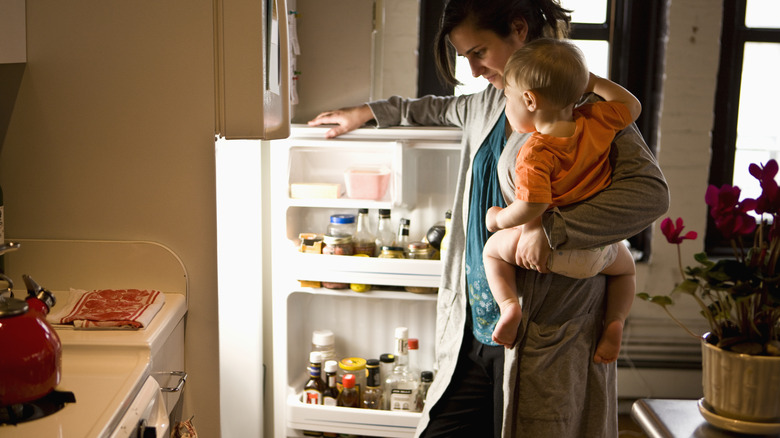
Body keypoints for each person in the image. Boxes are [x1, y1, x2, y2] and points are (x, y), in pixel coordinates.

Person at [308, 1, 669, 436]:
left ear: (518, 29)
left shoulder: (583, 109)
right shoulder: (486, 104)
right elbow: (436, 109)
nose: (474, 69)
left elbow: (649, 196)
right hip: (473, 331)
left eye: (478, 52)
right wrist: (367, 112)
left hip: (545, 335)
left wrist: (551, 232)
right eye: (465, 58)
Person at [483, 38, 639, 367]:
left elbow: (532, 206)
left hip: (553, 251)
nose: (507, 109)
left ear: (528, 99)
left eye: (507, 100)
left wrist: (498, 219)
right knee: (626, 270)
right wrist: (593, 83)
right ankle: (616, 321)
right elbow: (632, 106)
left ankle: (509, 305)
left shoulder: (535, 151)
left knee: (493, 251)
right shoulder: (597, 121)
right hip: (596, 251)